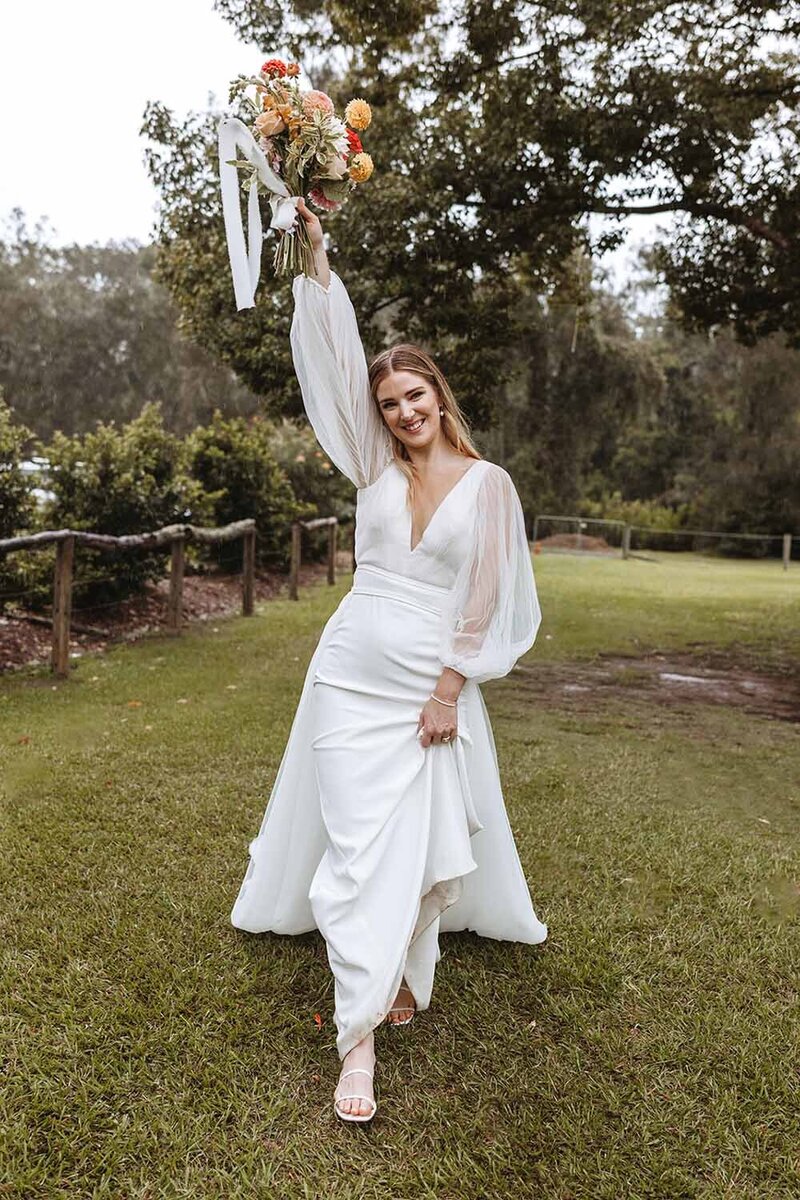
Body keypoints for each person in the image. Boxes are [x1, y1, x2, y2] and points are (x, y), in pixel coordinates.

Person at [230, 198, 548, 1123]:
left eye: (415, 397)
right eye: (389, 405)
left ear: (440, 396)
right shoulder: (373, 465)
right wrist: (316, 256)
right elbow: (332, 360)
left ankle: (401, 962)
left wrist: (453, 686)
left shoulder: (488, 486)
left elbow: (485, 598)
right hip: (345, 674)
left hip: (425, 684)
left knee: (409, 847)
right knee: (357, 842)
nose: (404, 413)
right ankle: (358, 1038)